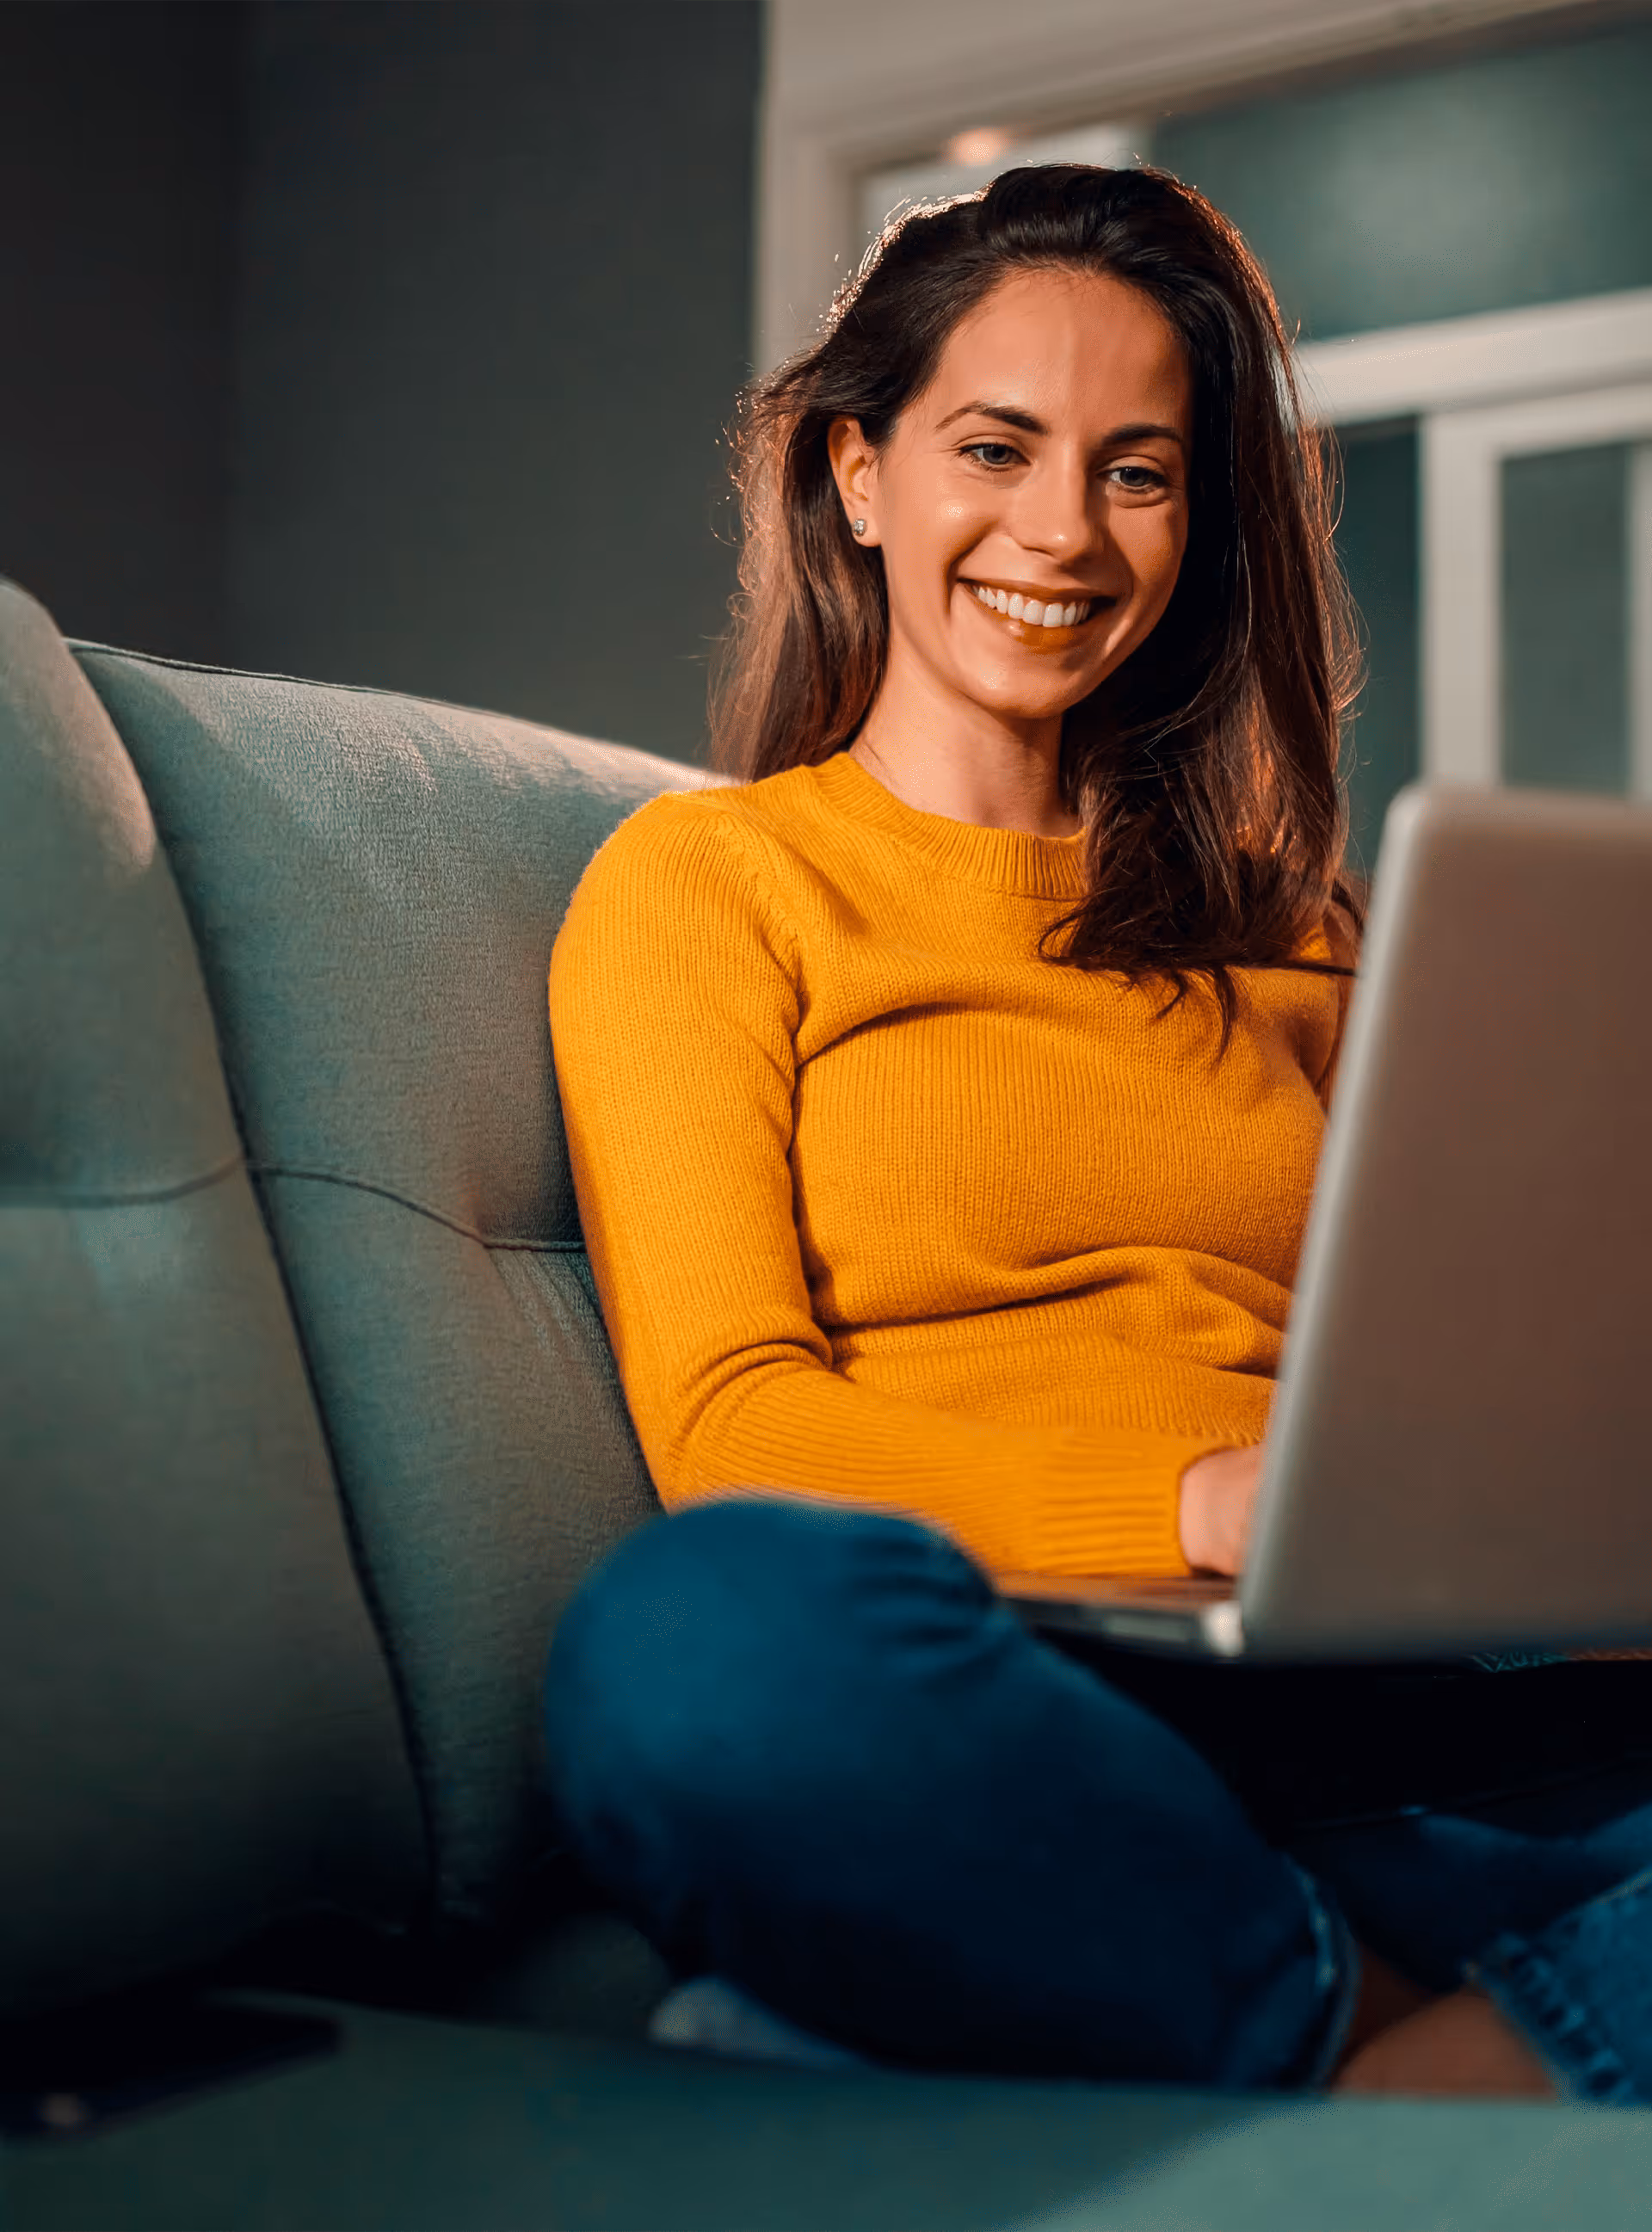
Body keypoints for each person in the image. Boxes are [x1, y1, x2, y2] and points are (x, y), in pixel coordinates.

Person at [543, 163, 1652, 2101]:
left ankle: (1287, 2073)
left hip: (1426, 1708)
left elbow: (1465, 1369)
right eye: (998, 446)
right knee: (694, 1646)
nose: (1065, 530)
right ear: (857, 472)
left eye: (1139, 472)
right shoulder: (713, 883)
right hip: (1047, 1715)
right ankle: (1412, 2056)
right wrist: (1204, 1501)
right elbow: (733, 1427)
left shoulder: (1297, 922)